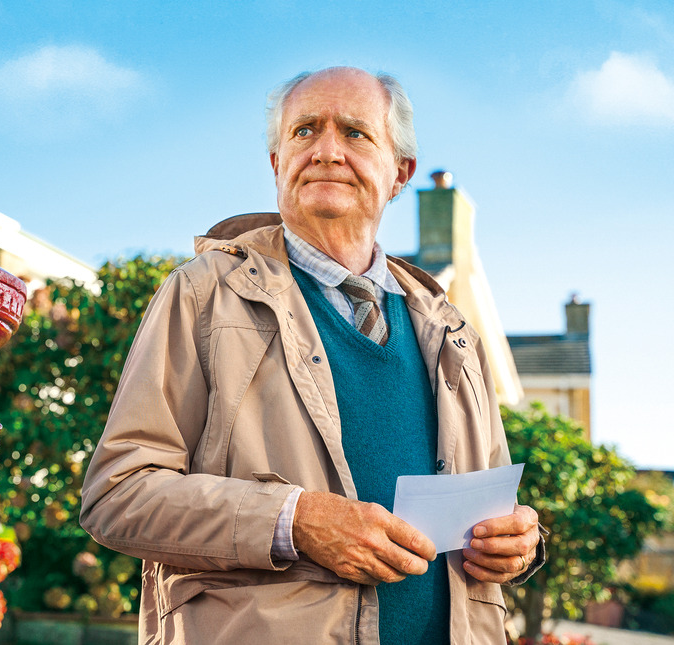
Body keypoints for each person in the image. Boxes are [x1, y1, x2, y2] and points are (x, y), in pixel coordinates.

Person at [80, 66, 544, 644]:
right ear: (278, 163)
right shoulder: (203, 293)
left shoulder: (452, 330)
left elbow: (497, 507)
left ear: (400, 172)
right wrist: (294, 521)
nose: (326, 150)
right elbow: (118, 493)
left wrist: (521, 544)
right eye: (304, 131)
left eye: (354, 132)